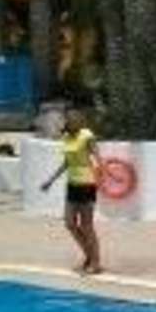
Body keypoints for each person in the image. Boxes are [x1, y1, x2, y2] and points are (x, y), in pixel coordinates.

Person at [40, 107, 102, 275]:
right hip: (72, 184)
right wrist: (50, 180)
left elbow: (97, 158)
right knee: (70, 223)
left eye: (73, 118)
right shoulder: (66, 138)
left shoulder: (87, 136)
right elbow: (67, 162)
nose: (70, 121)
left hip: (87, 183)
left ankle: (95, 263)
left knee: (87, 226)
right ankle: (89, 254)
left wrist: (101, 176)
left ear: (80, 121)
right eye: (68, 119)